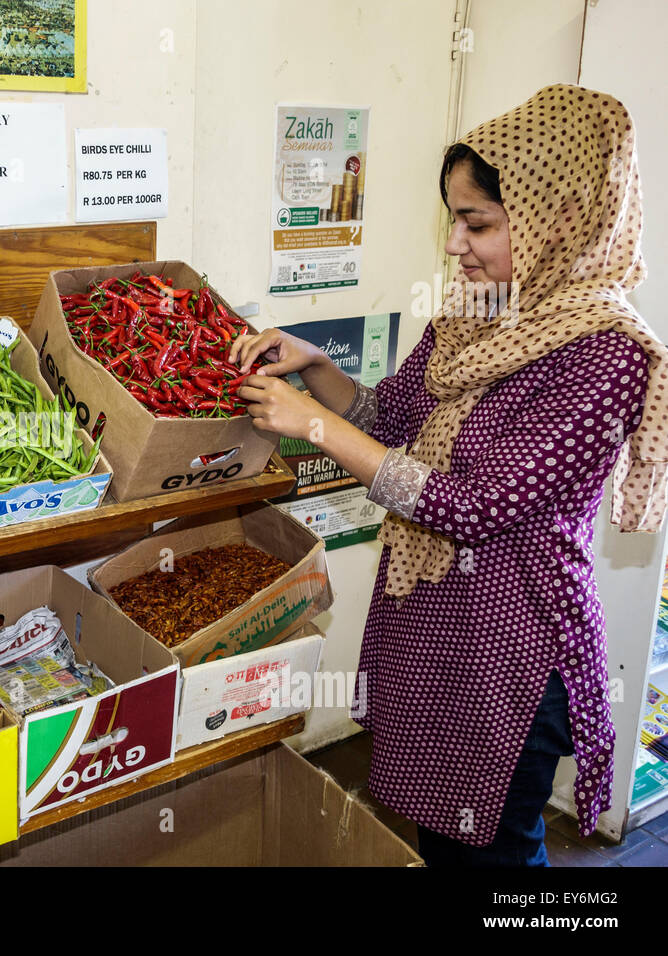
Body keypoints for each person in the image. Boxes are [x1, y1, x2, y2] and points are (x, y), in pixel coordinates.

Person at [233, 85, 668, 865]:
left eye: (478, 224)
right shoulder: (479, 308)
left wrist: (316, 430)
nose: (457, 247)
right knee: (443, 835)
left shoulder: (607, 353)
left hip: (513, 648)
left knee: (493, 851)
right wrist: (318, 371)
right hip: (437, 624)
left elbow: (472, 507)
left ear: (561, 216)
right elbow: (392, 415)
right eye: (454, 222)